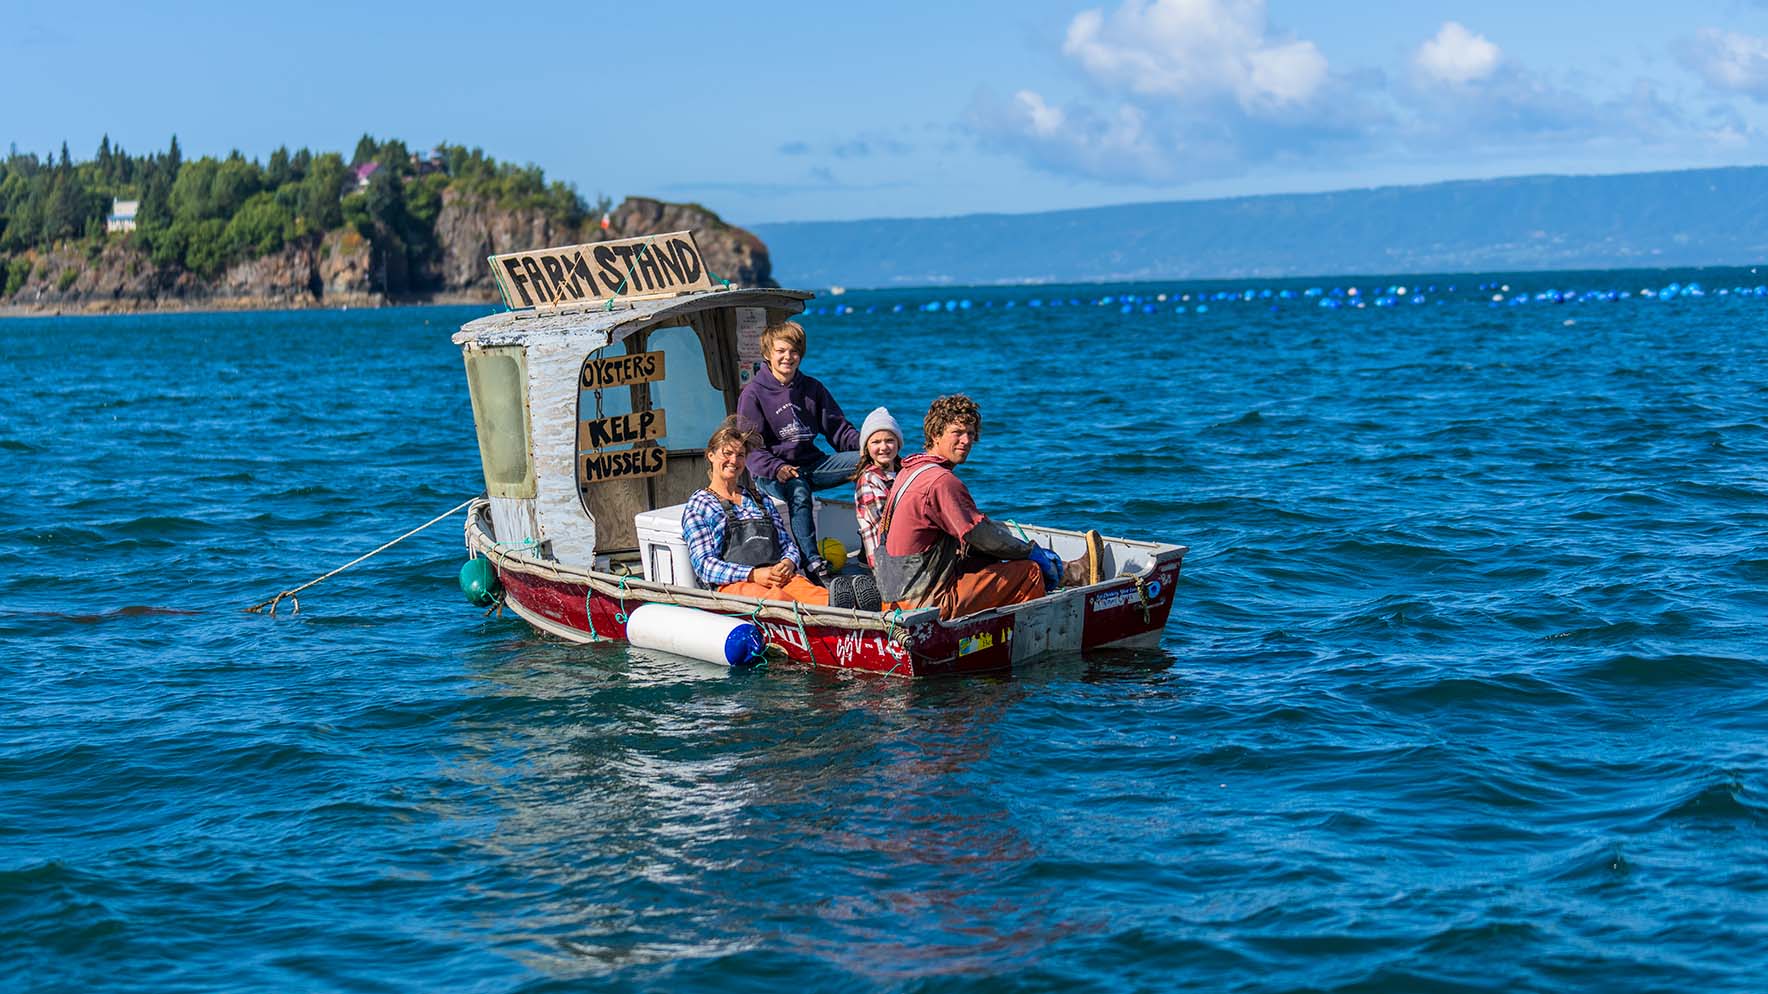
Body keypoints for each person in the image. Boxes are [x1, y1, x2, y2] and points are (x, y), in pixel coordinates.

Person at [875, 395, 1082, 620]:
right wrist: (1031, 551)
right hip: (926, 604)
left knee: (984, 560)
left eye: (971, 434)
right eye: (958, 433)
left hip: (893, 600)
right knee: (1029, 572)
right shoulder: (941, 482)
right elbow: (980, 535)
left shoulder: (908, 472)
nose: (966, 441)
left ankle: (1071, 572)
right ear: (935, 434)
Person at [682, 417, 879, 610]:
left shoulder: (760, 498)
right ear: (711, 455)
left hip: (778, 576)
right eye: (727, 453)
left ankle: (853, 608)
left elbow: (786, 544)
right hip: (735, 587)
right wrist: (753, 575)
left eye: (740, 455)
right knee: (778, 599)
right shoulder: (700, 505)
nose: (734, 460)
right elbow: (705, 566)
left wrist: (788, 562)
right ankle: (822, 622)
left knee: (815, 594)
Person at [736, 319, 860, 585]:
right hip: (772, 474)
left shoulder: (812, 388)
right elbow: (751, 449)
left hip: (812, 465)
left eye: (793, 351)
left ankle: (875, 543)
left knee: (869, 464)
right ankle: (812, 562)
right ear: (768, 354)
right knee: (798, 488)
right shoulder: (753, 394)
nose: (787, 357)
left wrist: (874, 447)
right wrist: (777, 468)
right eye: (781, 351)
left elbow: (839, 431)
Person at [852, 406, 903, 567]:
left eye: (889, 440)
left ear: (898, 443)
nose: (883, 447)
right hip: (885, 559)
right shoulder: (869, 479)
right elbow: (884, 524)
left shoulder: (904, 474)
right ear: (866, 447)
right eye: (876, 442)